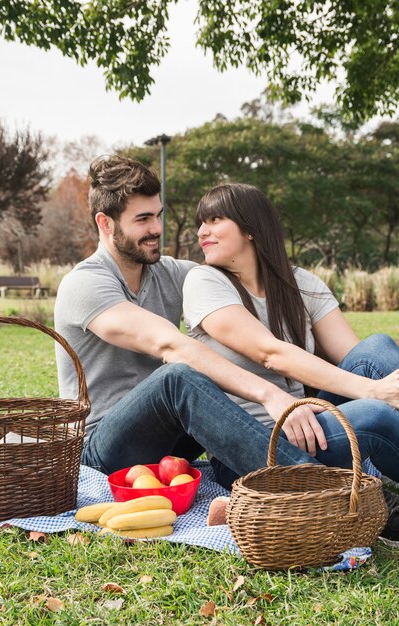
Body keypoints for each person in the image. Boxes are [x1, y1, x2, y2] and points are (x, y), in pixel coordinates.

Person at [54, 155, 329, 491]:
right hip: (104, 449)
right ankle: (317, 486)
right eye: (142, 219)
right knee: (178, 377)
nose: (156, 228)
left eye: (158, 216)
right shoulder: (85, 284)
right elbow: (169, 345)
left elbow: (237, 279)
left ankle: (338, 461)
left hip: (173, 439)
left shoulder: (175, 274)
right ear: (105, 223)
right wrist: (270, 395)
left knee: (205, 370)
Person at [182, 182, 399, 545]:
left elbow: (355, 358)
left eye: (215, 219)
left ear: (251, 227)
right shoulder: (204, 281)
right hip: (255, 442)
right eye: (201, 222)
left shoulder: (299, 282)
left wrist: (380, 384)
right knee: (375, 417)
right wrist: (374, 391)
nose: (202, 231)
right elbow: (270, 352)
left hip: (310, 424)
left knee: (376, 347)